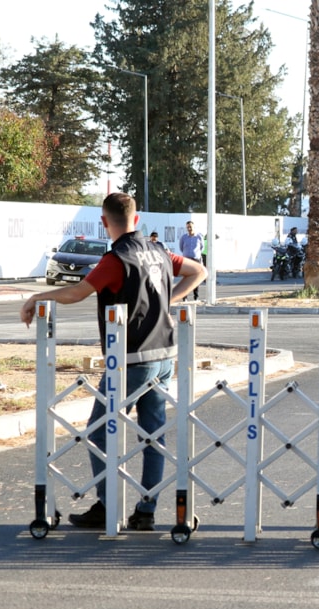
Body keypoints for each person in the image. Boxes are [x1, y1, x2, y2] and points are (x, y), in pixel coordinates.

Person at [19, 193, 206, 531]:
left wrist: (37, 297)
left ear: (105, 222)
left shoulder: (115, 259)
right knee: (152, 436)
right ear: (137, 218)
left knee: (97, 433)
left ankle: (109, 505)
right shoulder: (159, 251)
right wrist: (168, 300)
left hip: (130, 359)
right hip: (164, 354)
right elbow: (198, 270)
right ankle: (146, 511)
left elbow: (77, 293)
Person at [179, 220, 204, 300]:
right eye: (188, 227)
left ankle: (196, 296)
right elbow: (181, 248)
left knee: (195, 278)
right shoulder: (184, 237)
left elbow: (202, 248)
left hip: (195, 260)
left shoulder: (199, 237)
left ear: (194, 227)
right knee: (185, 279)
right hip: (186, 260)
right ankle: (184, 297)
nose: (189, 228)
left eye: (190, 227)